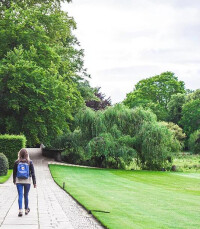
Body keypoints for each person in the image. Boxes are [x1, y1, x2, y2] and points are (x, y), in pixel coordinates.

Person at [13, 148, 36, 217]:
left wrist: (14, 180)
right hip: (27, 181)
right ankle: (26, 210)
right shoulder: (29, 162)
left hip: (19, 181)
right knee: (26, 195)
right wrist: (34, 182)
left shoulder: (17, 162)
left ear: (19, 154)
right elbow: (33, 173)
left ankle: (20, 210)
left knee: (20, 195)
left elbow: (14, 172)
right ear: (27, 154)